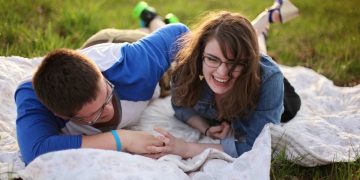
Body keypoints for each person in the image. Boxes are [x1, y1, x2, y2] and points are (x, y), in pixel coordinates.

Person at [15, 2, 188, 165]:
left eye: (107, 94)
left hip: (119, 41)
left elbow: (179, 33)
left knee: (165, 54)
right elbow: (35, 152)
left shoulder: (131, 62)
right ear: (62, 115)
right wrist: (122, 139)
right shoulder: (34, 96)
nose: (109, 109)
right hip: (92, 46)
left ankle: (152, 18)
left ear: (101, 74)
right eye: (95, 114)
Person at [147, 0, 301, 158]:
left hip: (264, 85)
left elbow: (253, 146)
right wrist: (205, 128)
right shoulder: (187, 65)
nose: (222, 72)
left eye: (235, 63)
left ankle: (264, 23)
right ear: (200, 55)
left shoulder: (268, 79)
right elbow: (180, 106)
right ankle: (263, 25)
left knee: (252, 51)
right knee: (233, 46)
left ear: (247, 63)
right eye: (212, 59)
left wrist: (186, 148)